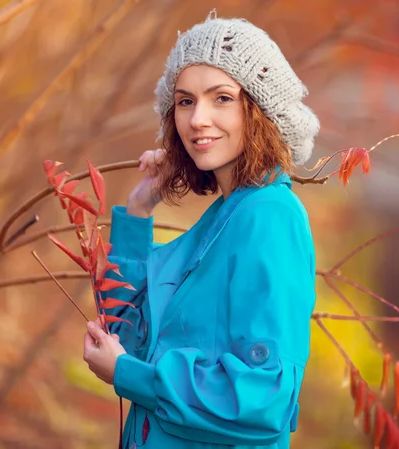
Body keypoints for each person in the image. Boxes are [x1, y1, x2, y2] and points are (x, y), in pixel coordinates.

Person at [81, 9, 319, 449]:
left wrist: (130, 376)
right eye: (186, 101)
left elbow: (262, 399)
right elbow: (129, 340)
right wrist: (137, 211)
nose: (197, 120)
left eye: (222, 98)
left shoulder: (268, 217)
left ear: (259, 110)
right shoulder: (226, 217)